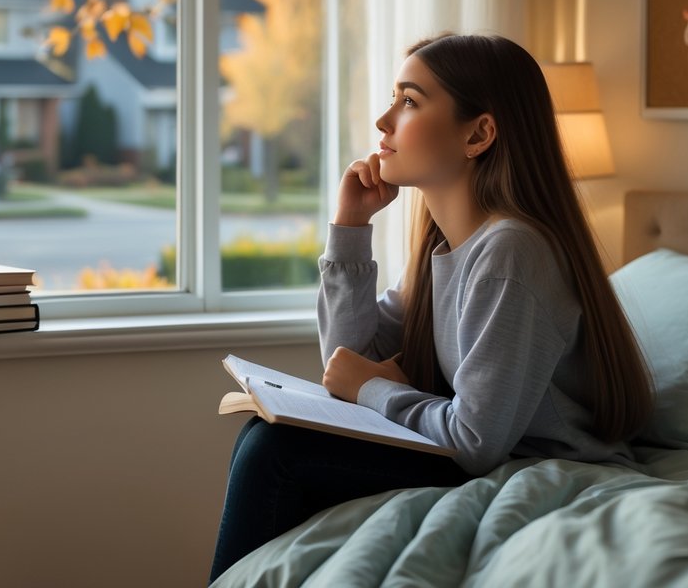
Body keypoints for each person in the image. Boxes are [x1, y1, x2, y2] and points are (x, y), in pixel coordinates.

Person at [208, 32, 654, 583]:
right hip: (486, 457)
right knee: (262, 435)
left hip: (541, 468)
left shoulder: (512, 252)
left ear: (479, 133)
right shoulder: (442, 252)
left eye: (410, 101)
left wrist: (370, 387)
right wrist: (350, 229)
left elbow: (471, 440)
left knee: (273, 451)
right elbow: (346, 360)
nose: (383, 121)